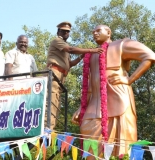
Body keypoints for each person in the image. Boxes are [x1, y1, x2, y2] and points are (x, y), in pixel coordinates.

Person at [72, 25, 155, 158]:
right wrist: (81, 108)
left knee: (122, 148)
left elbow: (150, 56)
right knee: (87, 134)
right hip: (94, 106)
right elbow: (91, 86)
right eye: (93, 32)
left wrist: (129, 80)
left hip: (120, 102)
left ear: (109, 33)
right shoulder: (92, 54)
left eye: (98, 31)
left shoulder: (120, 45)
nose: (95, 33)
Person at [46, 21, 104, 129]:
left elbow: (70, 64)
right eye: (63, 31)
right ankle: (46, 130)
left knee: (56, 106)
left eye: (67, 32)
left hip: (61, 77)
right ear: (58, 31)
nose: (65, 34)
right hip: (54, 74)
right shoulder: (57, 41)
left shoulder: (64, 46)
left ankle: (49, 131)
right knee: (51, 104)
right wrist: (92, 50)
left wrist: (82, 56)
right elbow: (71, 49)